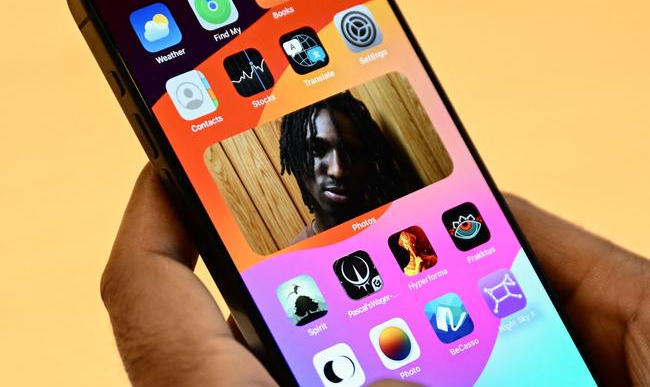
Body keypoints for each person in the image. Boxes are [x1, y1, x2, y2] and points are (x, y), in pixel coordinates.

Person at [101, 165, 650, 386]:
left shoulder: (418, 231)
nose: (335, 168)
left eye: (348, 148)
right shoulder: (287, 270)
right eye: (316, 151)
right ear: (293, 163)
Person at [279, 91, 419, 243]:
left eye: (351, 153)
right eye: (316, 150)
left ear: (370, 161)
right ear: (295, 158)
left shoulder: (405, 231)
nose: (337, 171)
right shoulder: (294, 258)